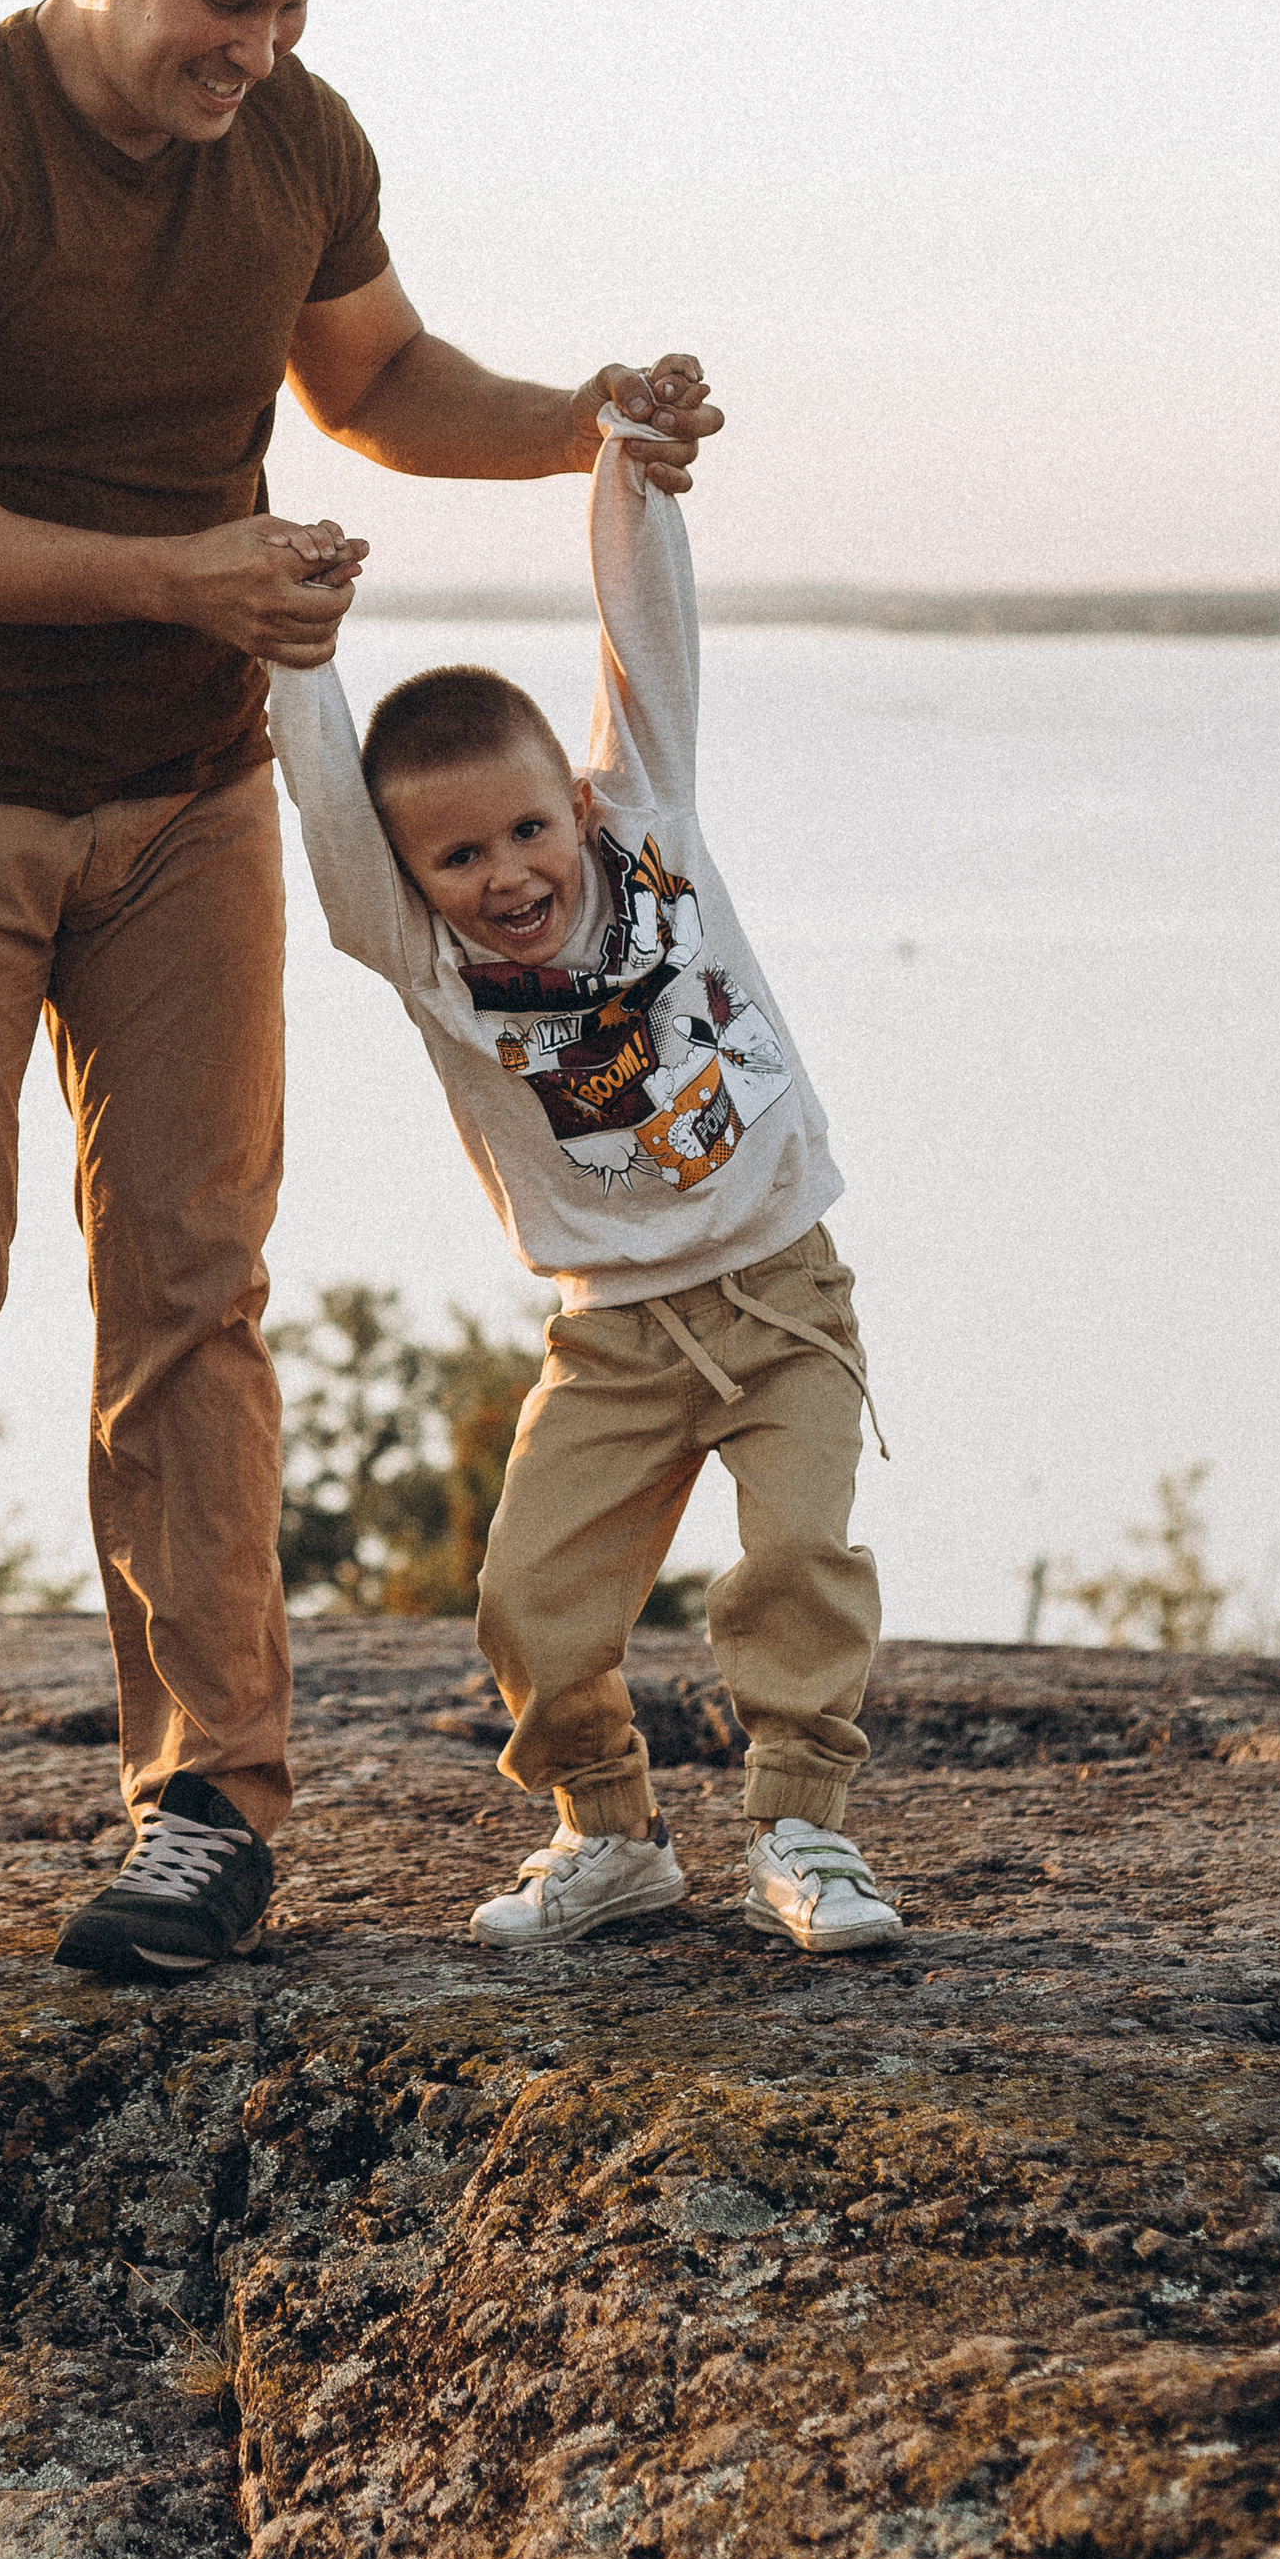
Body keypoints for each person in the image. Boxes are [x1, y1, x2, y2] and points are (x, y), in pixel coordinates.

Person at [0, 0, 720, 2007]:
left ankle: (205, 1812)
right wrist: (177, 573)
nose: (256, 55)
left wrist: (588, 416)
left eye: (290, 9)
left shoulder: (290, 142)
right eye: (221, 3)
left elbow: (378, 377)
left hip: (188, 789)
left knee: (190, 1291)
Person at [268, 396, 904, 1955]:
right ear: (410, 882)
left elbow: (642, 640)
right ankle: (608, 1839)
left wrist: (627, 462)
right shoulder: (421, 960)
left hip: (780, 1290)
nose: (506, 878)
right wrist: (297, 646)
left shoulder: (656, 830)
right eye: (459, 859)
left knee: (798, 1562)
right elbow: (328, 807)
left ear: (581, 800)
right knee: (528, 1605)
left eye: (528, 830)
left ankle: (806, 1833)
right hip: (611, 1333)